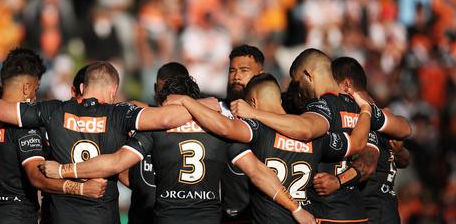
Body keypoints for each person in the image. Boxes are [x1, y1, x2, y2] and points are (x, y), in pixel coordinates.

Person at [40, 76, 316, 224]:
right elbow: (257, 171)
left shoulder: (156, 130)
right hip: (208, 218)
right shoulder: (219, 130)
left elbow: (115, 163)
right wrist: (295, 209)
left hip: (167, 218)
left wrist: (65, 169)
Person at [0, 61, 206, 224]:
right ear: (113, 91)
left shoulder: (52, 110)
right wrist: (205, 108)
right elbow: (168, 117)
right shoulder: (119, 113)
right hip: (101, 215)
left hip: (60, 216)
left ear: (83, 88)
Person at [230, 49, 410, 223]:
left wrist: (254, 114)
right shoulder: (362, 109)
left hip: (327, 208)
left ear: (309, 76)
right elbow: (404, 130)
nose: (299, 91)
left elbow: (306, 129)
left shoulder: (321, 106)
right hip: (357, 211)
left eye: (299, 83)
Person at [176, 72, 372, 223]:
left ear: (252, 102)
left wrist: (187, 101)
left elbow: (224, 127)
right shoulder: (316, 135)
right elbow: (357, 144)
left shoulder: (257, 128)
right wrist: (366, 111)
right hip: (304, 218)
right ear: (279, 100)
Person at [311, 57, 411, 224]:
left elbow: (368, 163)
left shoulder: (362, 114)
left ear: (346, 85)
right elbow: (404, 159)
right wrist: (399, 151)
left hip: (373, 211)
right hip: (386, 209)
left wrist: (337, 181)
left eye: (331, 86)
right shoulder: (383, 114)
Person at [125, 61, 189, 224]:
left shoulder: (203, 120)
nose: (167, 98)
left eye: (174, 92)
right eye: (163, 92)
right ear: (155, 89)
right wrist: (139, 186)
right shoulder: (135, 116)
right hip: (142, 215)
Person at [222, 45, 264, 223]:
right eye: (232, 70)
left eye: (244, 70)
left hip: (262, 212)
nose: (236, 76)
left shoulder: (278, 115)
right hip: (222, 214)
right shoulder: (214, 110)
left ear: (260, 75)